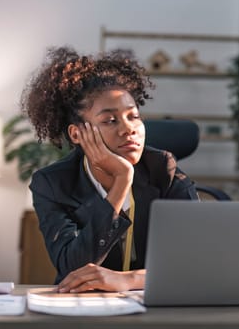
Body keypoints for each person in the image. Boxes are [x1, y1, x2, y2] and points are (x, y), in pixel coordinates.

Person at [21, 46, 199, 293]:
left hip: (151, 307)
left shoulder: (163, 170)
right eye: (110, 120)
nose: (129, 129)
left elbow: (196, 263)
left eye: (133, 116)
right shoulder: (52, 183)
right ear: (77, 134)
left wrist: (129, 280)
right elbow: (72, 266)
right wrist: (121, 181)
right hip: (82, 310)